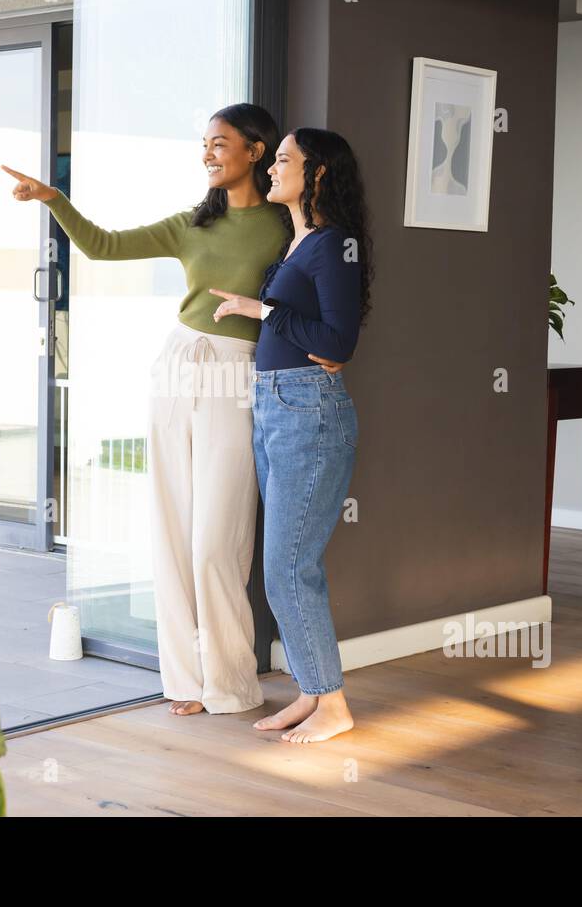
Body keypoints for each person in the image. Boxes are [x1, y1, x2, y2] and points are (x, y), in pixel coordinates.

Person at [3, 105, 341, 716]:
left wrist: (325, 349)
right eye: (205, 145)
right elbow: (103, 247)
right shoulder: (191, 223)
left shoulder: (284, 225)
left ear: (256, 151)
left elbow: (318, 287)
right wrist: (54, 198)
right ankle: (186, 681)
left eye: (220, 143)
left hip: (240, 374)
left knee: (219, 540)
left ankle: (233, 683)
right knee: (171, 529)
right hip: (176, 365)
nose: (208, 153)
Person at [211, 127, 373, 742]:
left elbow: (338, 343)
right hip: (278, 407)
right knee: (288, 565)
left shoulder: (334, 244)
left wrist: (264, 311)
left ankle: (332, 704)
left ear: (319, 173)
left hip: (310, 412)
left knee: (287, 567)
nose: (273, 168)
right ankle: (312, 693)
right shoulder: (300, 241)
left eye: (284, 160)